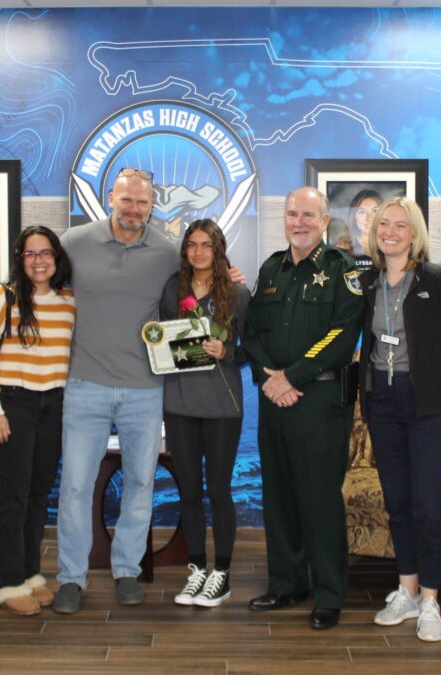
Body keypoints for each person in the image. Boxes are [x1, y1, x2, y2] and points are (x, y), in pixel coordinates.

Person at [51, 168, 180, 614]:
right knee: (75, 486)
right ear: (110, 198)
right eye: (127, 200)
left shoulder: (169, 251)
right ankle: (71, 576)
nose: (134, 210)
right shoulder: (72, 242)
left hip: (145, 389)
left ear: (152, 205)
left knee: (141, 483)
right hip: (84, 384)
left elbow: (198, 289)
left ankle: (127, 570)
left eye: (143, 203)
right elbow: (39, 285)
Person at [242, 186, 365, 630]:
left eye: (308, 215)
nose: (299, 221)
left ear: (325, 220)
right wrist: (269, 378)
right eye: (292, 213)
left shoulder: (341, 269)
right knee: (279, 496)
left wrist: (290, 378)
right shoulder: (271, 268)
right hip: (274, 399)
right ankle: (286, 583)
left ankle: (329, 594)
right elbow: (250, 332)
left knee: (318, 500)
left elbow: (343, 334)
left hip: (319, 401)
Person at [357, 197, 441, 641]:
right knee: (398, 501)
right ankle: (406, 589)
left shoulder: (436, 280)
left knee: (428, 504)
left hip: (429, 406)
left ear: (415, 233)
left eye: (400, 225)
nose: (390, 231)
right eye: (383, 224)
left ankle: (430, 599)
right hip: (382, 402)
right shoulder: (367, 282)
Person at [0, 225, 75, 616]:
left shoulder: (67, 301)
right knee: (12, 496)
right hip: (12, 404)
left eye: (45, 253)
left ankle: (31, 575)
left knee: (36, 495)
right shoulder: (3, 296)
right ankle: (8, 583)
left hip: (54, 405)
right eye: (30, 254)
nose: (39, 261)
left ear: (57, 258)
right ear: (20, 258)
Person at [159, 218, 251, 609]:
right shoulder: (172, 288)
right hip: (179, 403)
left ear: (218, 249)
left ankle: (222, 574)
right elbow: (161, 338)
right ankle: (196, 569)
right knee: (191, 492)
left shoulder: (238, 292)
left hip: (221, 404)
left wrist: (226, 352)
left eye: (206, 245)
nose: (198, 252)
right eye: (191, 245)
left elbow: (254, 349)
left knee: (217, 490)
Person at [347, 188, 382, 258]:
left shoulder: (390, 246)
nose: (369, 218)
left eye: (375, 211)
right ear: (353, 217)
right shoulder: (344, 248)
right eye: (362, 212)